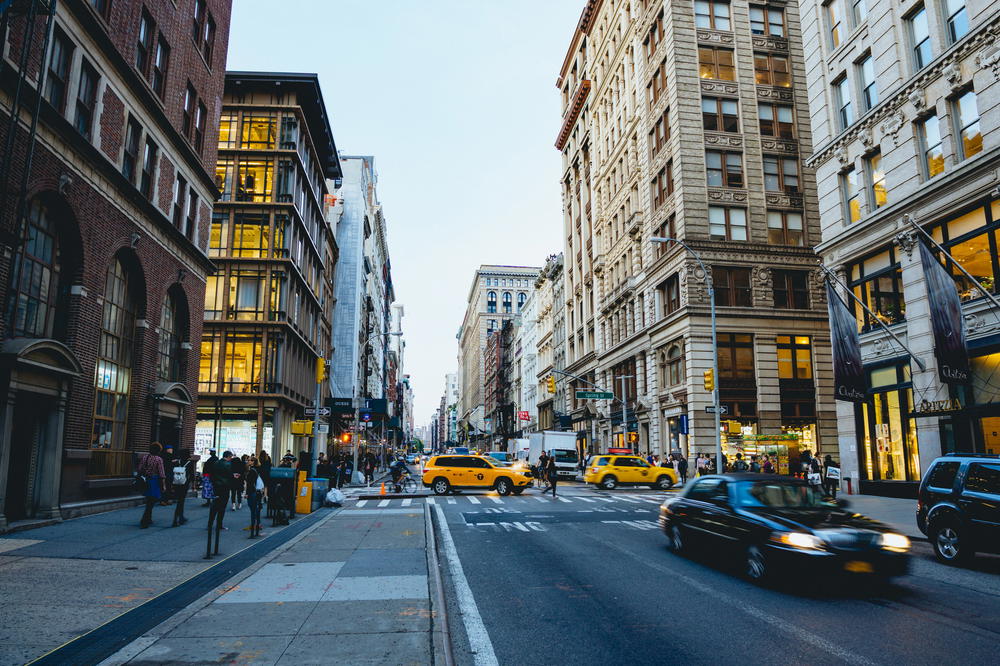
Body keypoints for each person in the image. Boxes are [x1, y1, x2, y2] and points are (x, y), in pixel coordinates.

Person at [138, 443, 167, 528]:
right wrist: (163, 485)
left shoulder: (145, 457)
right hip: (154, 481)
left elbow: (140, 468)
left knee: (149, 500)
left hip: (146, 480)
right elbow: (161, 473)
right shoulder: (158, 459)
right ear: (158, 451)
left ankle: (148, 518)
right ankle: (145, 520)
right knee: (151, 501)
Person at [171, 448, 199, 527]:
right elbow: (192, 475)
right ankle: (176, 520)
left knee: (180, 501)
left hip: (176, 483)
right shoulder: (189, 463)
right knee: (181, 502)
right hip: (184, 484)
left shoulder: (177, 462)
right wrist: (193, 485)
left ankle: (181, 517)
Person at [246, 457, 264, 537]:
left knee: (253, 511)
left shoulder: (251, 471)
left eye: (250, 460)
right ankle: (257, 528)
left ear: (253, 462)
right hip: (258, 492)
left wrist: (247, 493)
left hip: (253, 493)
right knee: (257, 511)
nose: (248, 461)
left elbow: (250, 484)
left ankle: (253, 532)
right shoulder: (258, 469)